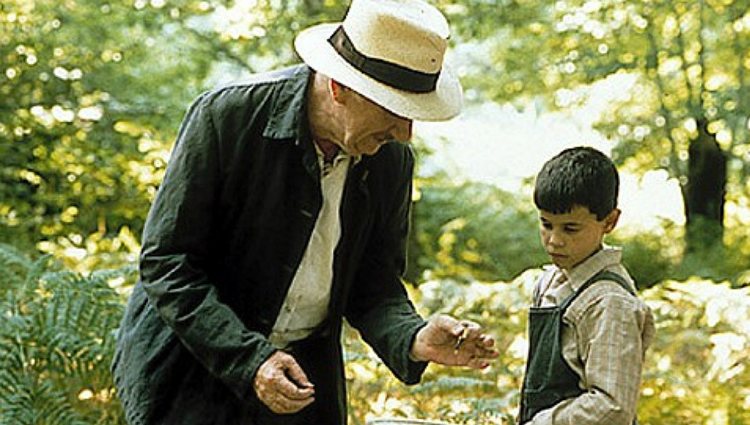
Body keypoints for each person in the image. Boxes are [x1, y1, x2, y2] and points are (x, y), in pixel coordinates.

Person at [112, 0, 498, 424]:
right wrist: (251, 359)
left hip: (305, 381)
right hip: (190, 375)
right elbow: (168, 263)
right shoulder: (228, 118)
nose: (404, 134)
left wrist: (413, 335)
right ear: (340, 87)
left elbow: (374, 282)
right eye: (394, 111)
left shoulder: (390, 159)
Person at [517, 147, 655, 424]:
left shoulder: (610, 303)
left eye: (570, 229)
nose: (554, 240)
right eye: (546, 224)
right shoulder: (549, 283)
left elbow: (612, 406)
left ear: (609, 222)